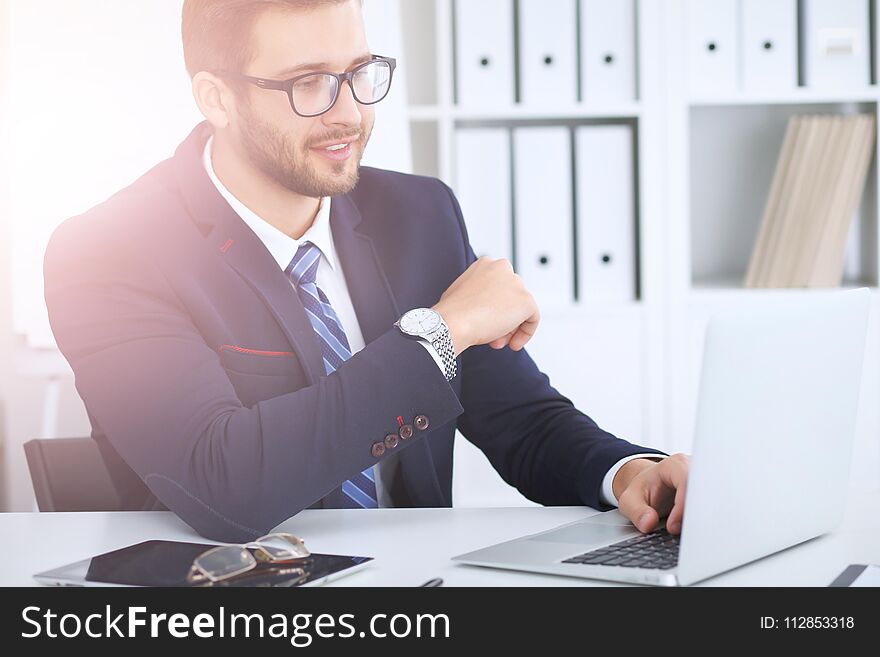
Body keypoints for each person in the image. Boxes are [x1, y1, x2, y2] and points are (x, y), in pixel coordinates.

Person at [43, 0, 689, 543]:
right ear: (217, 97)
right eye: (309, 83)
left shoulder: (417, 213)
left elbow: (521, 418)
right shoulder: (106, 252)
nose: (348, 112)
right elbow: (225, 483)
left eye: (360, 72)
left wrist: (627, 473)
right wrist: (442, 329)